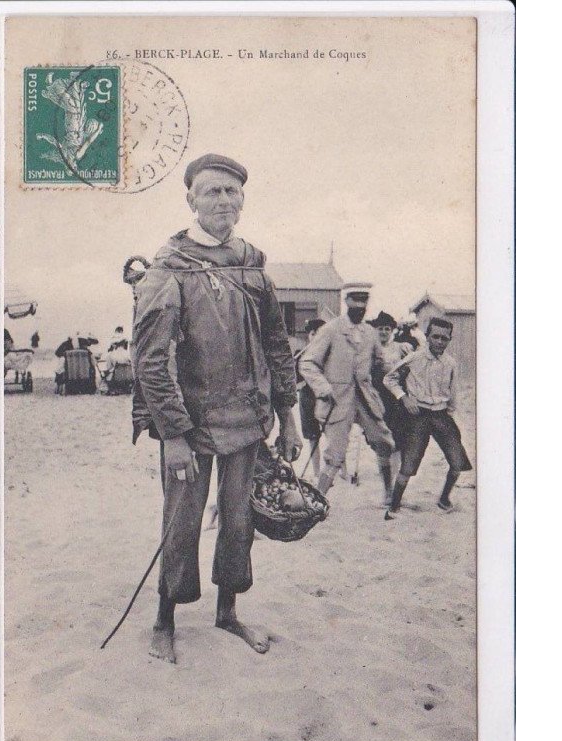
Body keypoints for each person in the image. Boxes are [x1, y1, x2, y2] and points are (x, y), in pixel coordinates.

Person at [132, 152, 300, 665]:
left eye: (231, 191)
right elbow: (150, 361)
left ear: (243, 198)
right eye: (212, 192)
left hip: (248, 421)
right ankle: (166, 618)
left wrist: (288, 413)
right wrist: (175, 435)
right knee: (181, 522)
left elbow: (276, 342)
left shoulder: (253, 263)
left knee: (238, 519)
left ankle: (228, 612)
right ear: (191, 200)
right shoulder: (169, 268)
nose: (223, 201)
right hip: (190, 424)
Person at [299, 285, 396, 500]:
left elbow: (380, 362)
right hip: (337, 400)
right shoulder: (330, 330)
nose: (360, 308)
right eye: (355, 302)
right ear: (347, 301)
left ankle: (389, 495)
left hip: (365, 399)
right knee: (335, 455)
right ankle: (318, 500)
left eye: (364, 302)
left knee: (384, 442)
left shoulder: (370, 332)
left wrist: (395, 367)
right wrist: (323, 388)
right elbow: (307, 363)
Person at [382, 317, 472, 520]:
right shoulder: (415, 358)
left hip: (440, 414)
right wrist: (404, 398)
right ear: (427, 336)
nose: (440, 342)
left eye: (445, 338)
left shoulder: (450, 363)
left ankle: (444, 500)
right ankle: (394, 507)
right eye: (436, 337)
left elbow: (453, 390)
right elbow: (389, 378)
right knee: (409, 463)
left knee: (457, 461)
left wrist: (449, 413)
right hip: (418, 416)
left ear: (450, 339)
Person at [369, 311, 413, 453]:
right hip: (377, 397)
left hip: (396, 398)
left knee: (398, 439)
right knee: (380, 440)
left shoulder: (401, 348)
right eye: (380, 328)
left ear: (392, 330)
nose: (383, 331)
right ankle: (385, 473)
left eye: (387, 328)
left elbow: (412, 367)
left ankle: (394, 474)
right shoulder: (369, 349)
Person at [294, 318, 326, 478]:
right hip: (308, 400)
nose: (316, 337)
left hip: (325, 399)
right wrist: (302, 383)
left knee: (333, 435)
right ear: (309, 335)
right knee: (313, 436)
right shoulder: (300, 355)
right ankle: (316, 471)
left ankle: (342, 471)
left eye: (320, 334)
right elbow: (295, 382)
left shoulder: (329, 355)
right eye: (314, 333)